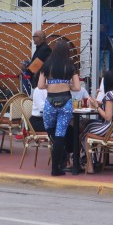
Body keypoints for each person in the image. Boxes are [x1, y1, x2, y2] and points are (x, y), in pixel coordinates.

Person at [38, 39, 81, 177]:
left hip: (50, 101)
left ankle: (60, 156)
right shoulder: (70, 65)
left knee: (50, 128)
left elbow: (40, 85)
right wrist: (67, 85)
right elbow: (77, 87)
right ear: (67, 51)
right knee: (60, 133)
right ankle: (56, 168)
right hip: (66, 101)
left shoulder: (47, 65)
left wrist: (50, 85)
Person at [81, 70, 113, 174]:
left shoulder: (110, 95)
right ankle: (92, 160)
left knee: (86, 134)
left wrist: (97, 107)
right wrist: (97, 99)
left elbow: (108, 117)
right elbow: (102, 106)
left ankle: (90, 166)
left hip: (112, 129)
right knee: (88, 124)